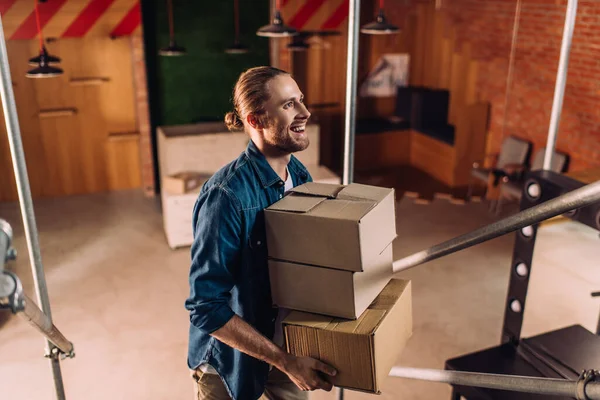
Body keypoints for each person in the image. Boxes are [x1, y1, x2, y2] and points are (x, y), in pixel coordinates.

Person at [185, 66, 337, 400]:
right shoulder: (226, 197)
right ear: (255, 121)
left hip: (286, 345)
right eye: (288, 105)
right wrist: (284, 361)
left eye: (300, 100)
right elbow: (205, 307)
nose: (305, 112)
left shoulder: (298, 175)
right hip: (230, 362)